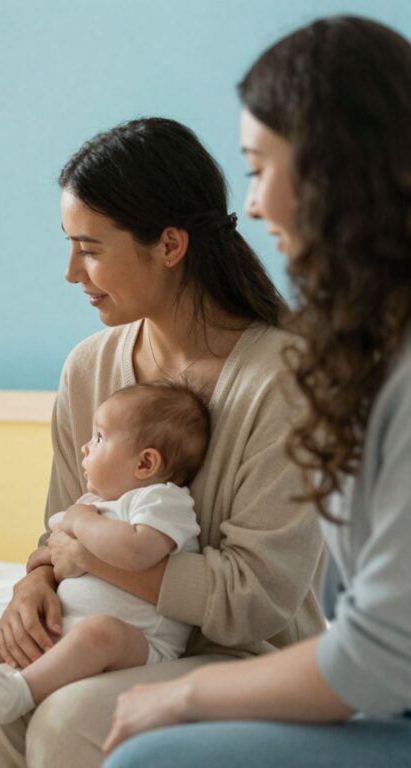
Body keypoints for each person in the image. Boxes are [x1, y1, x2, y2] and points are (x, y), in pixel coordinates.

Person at [0, 117, 326, 768]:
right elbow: (56, 539)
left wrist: (85, 556)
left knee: (69, 720)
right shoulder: (89, 369)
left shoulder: (285, 381)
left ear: (169, 245)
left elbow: (252, 599)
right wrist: (33, 585)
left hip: (246, 662)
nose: (69, 272)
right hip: (97, 635)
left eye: (89, 248)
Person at [102, 16, 411, 767]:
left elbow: (373, 653)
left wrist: (179, 695)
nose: (256, 204)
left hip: (376, 689)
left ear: (334, 173)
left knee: (148, 755)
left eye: (260, 166)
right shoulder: (358, 349)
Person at [0, 381, 206, 724]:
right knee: (5, 632)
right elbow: (50, 552)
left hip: (139, 644)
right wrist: (42, 566)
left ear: (145, 463)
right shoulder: (94, 505)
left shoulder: (161, 500)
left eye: (99, 437)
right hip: (68, 628)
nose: (85, 447)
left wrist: (80, 524)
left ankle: (23, 691)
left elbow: (137, 552)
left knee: (100, 632)